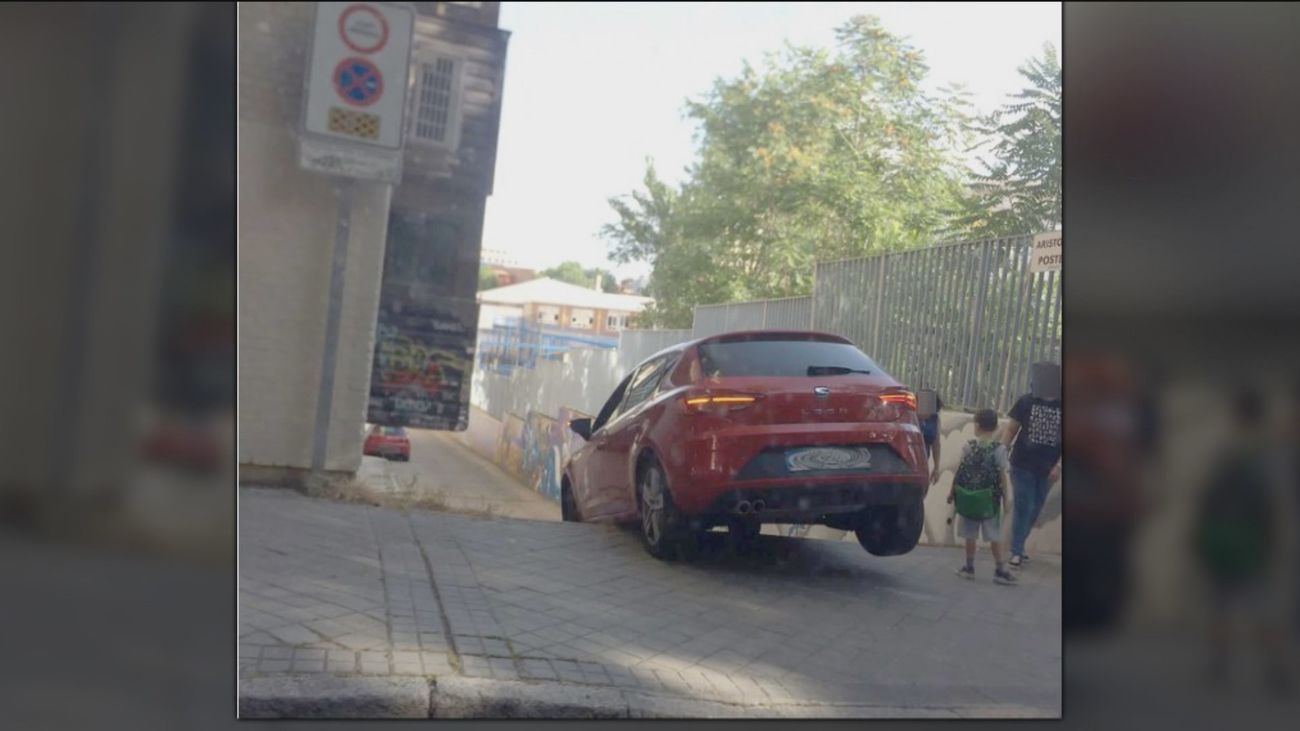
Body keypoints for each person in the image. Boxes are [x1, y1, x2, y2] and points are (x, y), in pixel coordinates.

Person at [1004, 362, 1063, 568]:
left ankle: (1018, 545)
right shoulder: (1025, 402)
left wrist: (1059, 466)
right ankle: (1017, 551)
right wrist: (1003, 450)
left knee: (1036, 508)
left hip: (1047, 469)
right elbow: (1012, 429)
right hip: (1022, 463)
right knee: (1024, 506)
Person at [949, 409, 1016, 585]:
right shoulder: (1000, 449)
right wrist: (1006, 498)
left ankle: (969, 567)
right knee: (994, 535)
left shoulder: (968, 446)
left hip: (969, 498)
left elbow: (959, 472)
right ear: (995, 427)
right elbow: (1002, 477)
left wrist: (951, 493)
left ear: (977, 426)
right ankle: (1000, 569)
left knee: (969, 535)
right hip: (990, 501)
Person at [918, 389, 943, 488]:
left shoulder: (934, 419)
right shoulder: (909, 416)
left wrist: (936, 467)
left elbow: (936, 444)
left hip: (923, 461)